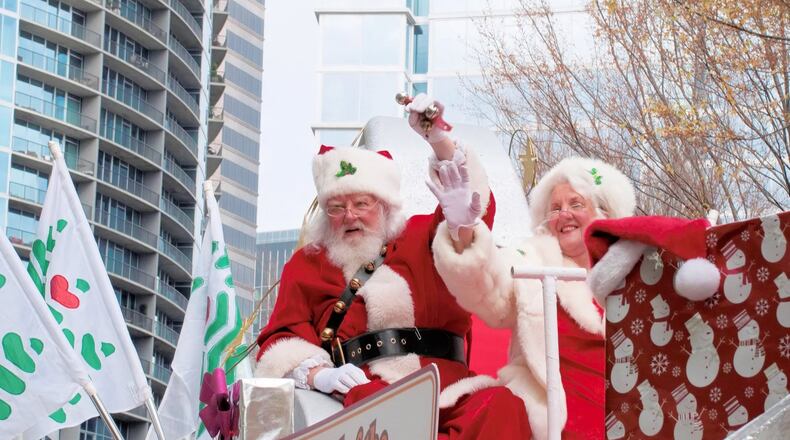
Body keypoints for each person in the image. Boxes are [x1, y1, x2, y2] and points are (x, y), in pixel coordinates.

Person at [254, 95, 531, 439]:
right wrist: (319, 374)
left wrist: (440, 142)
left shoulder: (417, 237)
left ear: (385, 205)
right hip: (369, 391)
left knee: (503, 407)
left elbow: (461, 236)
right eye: (337, 207)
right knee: (389, 423)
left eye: (361, 203)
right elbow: (281, 339)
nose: (349, 215)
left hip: (449, 386)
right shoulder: (308, 263)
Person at [431, 157, 636, 439]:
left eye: (576, 204)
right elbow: (490, 282)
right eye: (555, 208)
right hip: (550, 420)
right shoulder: (532, 260)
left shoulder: (632, 276)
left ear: (604, 213)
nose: (564, 214)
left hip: (623, 418)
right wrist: (463, 230)